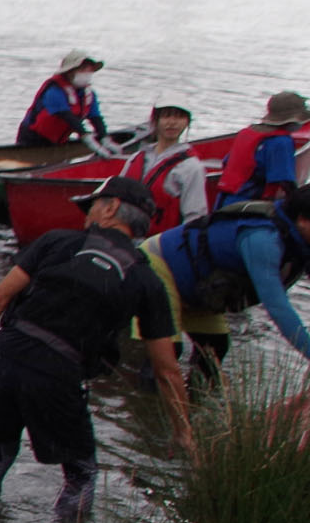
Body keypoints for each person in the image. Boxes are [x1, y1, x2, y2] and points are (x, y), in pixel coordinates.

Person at [0, 176, 188, 523]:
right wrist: (182, 430)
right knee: (82, 474)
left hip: (3, 356)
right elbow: (167, 369)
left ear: (111, 208)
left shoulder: (56, 241)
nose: (87, 215)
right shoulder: (147, 281)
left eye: (91, 207)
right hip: (57, 373)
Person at [139, 185, 310, 373]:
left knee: (214, 350)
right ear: (302, 220)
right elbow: (277, 307)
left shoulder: (298, 236)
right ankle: (144, 399)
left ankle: (194, 400)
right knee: (166, 357)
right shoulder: (262, 239)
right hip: (158, 267)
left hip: (196, 286)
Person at [120, 104, 209, 234]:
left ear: (187, 122)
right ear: (156, 120)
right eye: (166, 116)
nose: (172, 123)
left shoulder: (191, 167)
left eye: (179, 117)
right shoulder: (135, 158)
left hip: (160, 243)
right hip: (125, 237)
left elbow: (195, 217)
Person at [212, 90, 306, 209]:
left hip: (223, 200)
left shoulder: (246, 132)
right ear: (293, 120)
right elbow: (285, 181)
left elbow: (226, 162)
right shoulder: (281, 141)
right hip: (248, 206)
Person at [16, 50, 109, 149]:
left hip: (59, 140)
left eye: (89, 70)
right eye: (82, 70)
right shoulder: (54, 91)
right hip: (33, 139)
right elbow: (66, 116)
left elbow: (96, 117)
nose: (86, 74)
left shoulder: (89, 95)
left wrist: (104, 137)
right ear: (70, 71)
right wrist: (86, 136)